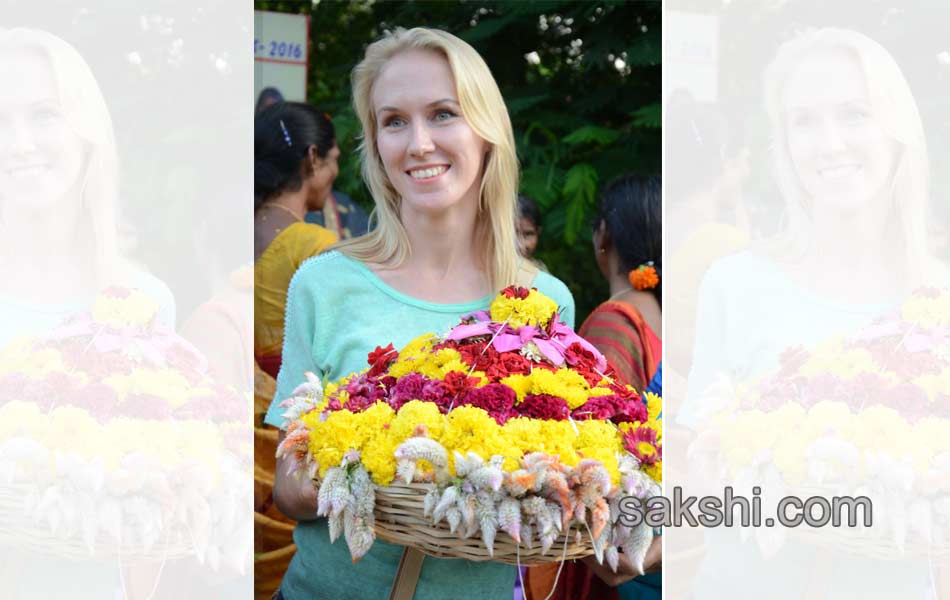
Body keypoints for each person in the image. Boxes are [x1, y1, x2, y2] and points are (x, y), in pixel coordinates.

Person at [263, 27, 575, 600]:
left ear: (486, 132)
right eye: (394, 121)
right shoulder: (323, 284)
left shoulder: (543, 303)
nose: (420, 143)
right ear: (376, 142)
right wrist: (359, 471)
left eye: (443, 113)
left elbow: (560, 479)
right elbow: (288, 489)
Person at [677, 28, 947, 599]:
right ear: (784, 143)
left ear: (897, 129)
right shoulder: (735, 281)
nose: (829, 143)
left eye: (854, 114)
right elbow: (695, 466)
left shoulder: (940, 291)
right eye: (804, 121)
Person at [0, 27, 175, 599]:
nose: (19, 142)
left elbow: (157, 508)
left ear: (87, 132)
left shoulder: (145, 303)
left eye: (43, 115)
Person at [525, 175, 662, 600]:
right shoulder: (662, 316)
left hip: (620, 550)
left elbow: (592, 445)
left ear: (604, 236)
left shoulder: (613, 322)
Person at [254, 102, 340, 379]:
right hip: (294, 407)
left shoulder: (223, 231)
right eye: (335, 159)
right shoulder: (314, 244)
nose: (336, 171)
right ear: (313, 158)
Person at [516, 193, 547, 271]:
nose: (521, 245)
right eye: (514, 234)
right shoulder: (486, 272)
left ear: (538, 233)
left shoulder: (542, 275)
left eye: (528, 234)